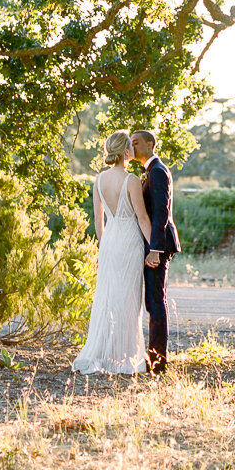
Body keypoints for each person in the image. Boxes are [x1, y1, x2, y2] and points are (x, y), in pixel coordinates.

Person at [72, 130, 153, 375]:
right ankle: (123, 356)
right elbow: (142, 218)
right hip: (129, 242)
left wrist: (103, 247)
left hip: (109, 242)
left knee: (107, 297)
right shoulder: (131, 181)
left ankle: (105, 353)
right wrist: (154, 249)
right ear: (127, 150)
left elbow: (99, 220)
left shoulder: (99, 180)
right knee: (128, 299)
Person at [131, 128, 180, 374]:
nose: (133, 146)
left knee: (155, 301)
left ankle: (158, 363)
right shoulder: (150, 171)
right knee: (153, 300)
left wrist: (155, 249)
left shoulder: (159, 172)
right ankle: (154, 358)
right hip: (151, 244)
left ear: (150, 144)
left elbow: (161, 213)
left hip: (158, 246)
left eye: (136, 142)